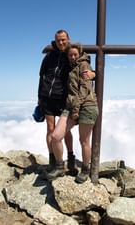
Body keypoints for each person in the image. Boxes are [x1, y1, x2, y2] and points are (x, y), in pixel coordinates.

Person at [38, 30, 94, 174]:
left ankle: (70, 157)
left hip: (64, 98)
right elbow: (41, 76)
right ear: (55, 41)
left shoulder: (71, 54)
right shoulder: (49, 56)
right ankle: (54, 160)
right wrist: (40, 97)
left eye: (63, 39)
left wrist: (94, 74)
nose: (61, 42)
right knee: (50, 129)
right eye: (58, 40)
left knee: (65, 131)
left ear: (68, 39)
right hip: (48, 97)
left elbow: (84, 62)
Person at [47, 43, 99, 183]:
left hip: (87, 106)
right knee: (56, 136)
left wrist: (94, 74)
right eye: (70, 54)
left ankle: (85, 170)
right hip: (71, 107)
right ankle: (59, 166)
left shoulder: (84, 66)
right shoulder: (71, 67)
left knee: (84, 141)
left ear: (80, 54)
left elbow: (84, 90)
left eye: (75, 54)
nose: (73, 56)